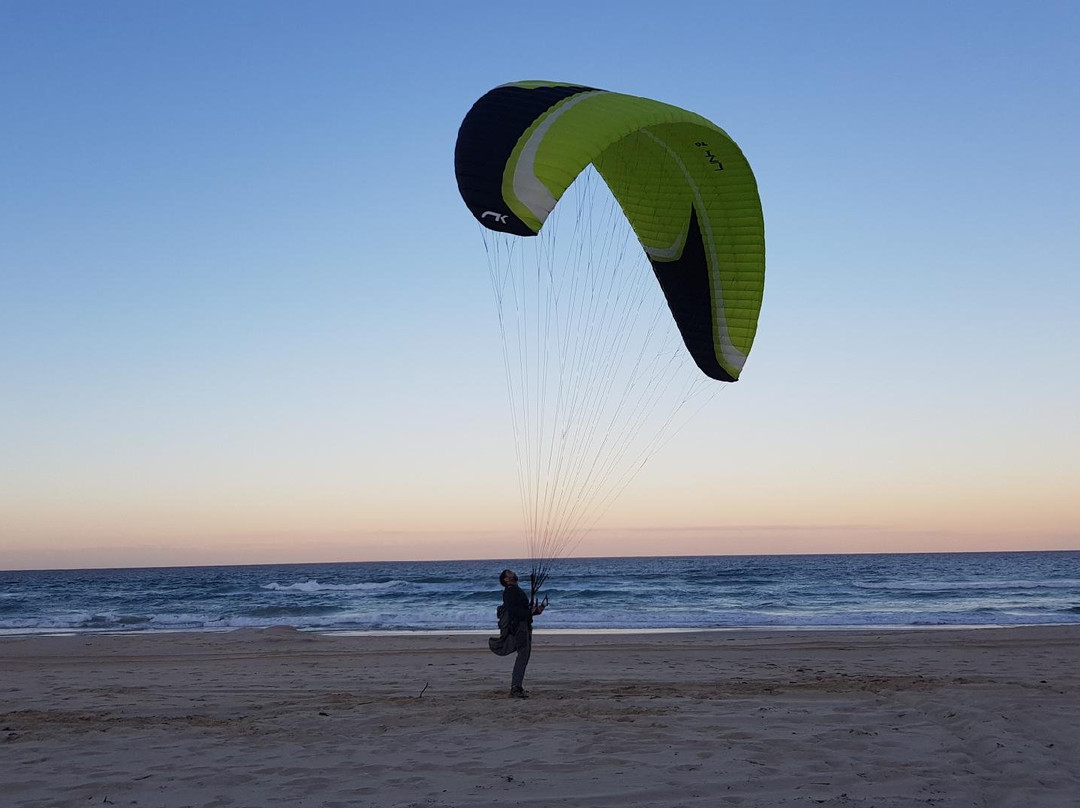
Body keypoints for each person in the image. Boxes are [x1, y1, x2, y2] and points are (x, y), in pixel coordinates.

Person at [499, 569, 544, 698]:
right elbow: (514, 611)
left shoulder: (515, 590)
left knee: (524, 655)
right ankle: (515, 688)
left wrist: (535, 611)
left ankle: (517, 686)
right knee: (523, 654)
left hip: (524, 625)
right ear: (506, 580)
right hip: (519, 627)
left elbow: (522, 609)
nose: (513, 574)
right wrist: (530, 612)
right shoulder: (510, 592)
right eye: (510, 573)